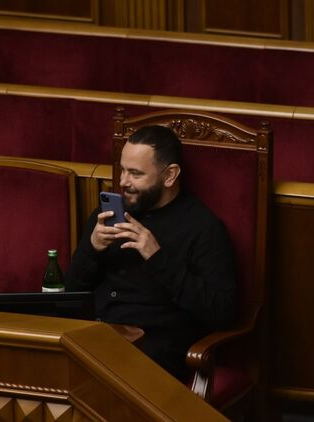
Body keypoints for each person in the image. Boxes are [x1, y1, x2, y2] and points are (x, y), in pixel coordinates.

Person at [65, 125, 237, 381]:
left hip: (153, 351)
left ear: (170, 175)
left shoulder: (204, 228)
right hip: (95, 337)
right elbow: (70, 293)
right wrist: (92, 249)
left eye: (135, 173)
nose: (123, 182)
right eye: (122, 169)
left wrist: (157, 257)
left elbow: (222, 313)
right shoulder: (107, 215)